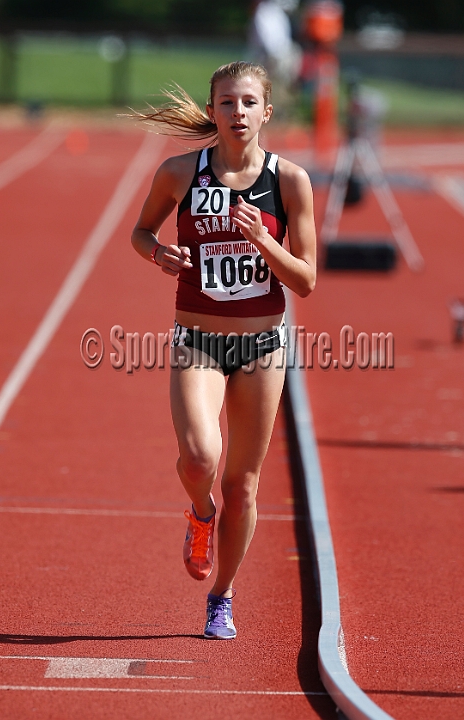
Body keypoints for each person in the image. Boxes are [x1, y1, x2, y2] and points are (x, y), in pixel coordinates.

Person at [131, 61, 316, 639]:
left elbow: (306, 279)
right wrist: (158, 254)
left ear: (267, 111)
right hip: (199, 340)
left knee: (243, 484)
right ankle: (199, 514)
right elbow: (141, 232)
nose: (238, 113)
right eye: (227, 103)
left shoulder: (289, 181)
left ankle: (221, 596)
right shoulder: (180, 172)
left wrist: (264, 241)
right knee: (198, 460)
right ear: (212, 111)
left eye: (248, 103)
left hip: (262, 346)